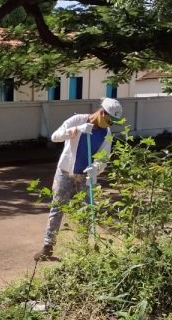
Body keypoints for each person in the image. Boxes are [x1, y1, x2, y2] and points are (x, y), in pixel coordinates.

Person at [35, 97, 123, 261]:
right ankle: (47, 247)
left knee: (86, 212)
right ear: (102, 112)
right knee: (57, 207)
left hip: (86, 176)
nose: (111, 124)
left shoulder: (107, 133)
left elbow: (104, 157)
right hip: (65, 172)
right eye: (110, 120)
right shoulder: (77, 120)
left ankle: (82, 249)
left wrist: (95, 168)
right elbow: (55, 137)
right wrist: (75, 130)